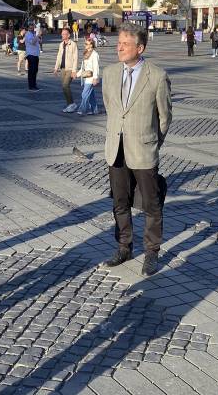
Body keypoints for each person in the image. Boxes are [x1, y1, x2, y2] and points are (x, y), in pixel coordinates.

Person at [101, 23, 172, 277]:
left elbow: (164, 117)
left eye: (125, 44)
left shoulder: (157, 76)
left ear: (139, 48)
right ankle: (124, 246)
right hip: (116, 149)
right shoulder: (109, 74)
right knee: (120, 201)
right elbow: (111, 108)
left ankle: (151, 252)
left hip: (143, 150)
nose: (119, 47)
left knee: (152, 205)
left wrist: (152, 142)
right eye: (119, 42)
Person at [54, 27, 79, 112]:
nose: (62, 35)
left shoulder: (73, 44)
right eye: (62, 33)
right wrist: (56, 68)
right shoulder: (61, 44)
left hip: (70, 68)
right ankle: (70, 104)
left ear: (68, 35)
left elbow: (76, 58)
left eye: (64, 34)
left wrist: (74, 70)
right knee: (64, 87)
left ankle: (72, 104)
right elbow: (58, 56)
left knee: (65, 85)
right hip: (63, 68)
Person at [77, 37, 101, 115]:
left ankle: (82, 109)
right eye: (85, 43)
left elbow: (96, 67)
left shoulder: (95, 54)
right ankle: (95, 110)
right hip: (85, 77)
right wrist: (77, 74)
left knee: (84, 94)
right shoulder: (86, 53)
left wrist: (95, 78)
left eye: (86, 44)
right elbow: (82, 67)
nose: (85, 45)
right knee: (90, 95)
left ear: (91, 45)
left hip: (91, 78)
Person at [24, 23, 41, 91]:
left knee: (35, 70)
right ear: (28, 28)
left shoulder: (33, 34)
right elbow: (33, 42)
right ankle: (31, 86)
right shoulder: (28, 34)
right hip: (30, 54)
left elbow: (39, 41)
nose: (32, 29)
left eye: (33, 28)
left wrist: (39, 36)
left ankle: (34, 85)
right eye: (30, 28)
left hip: (36, 54)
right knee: (31, 71)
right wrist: (37, 36)